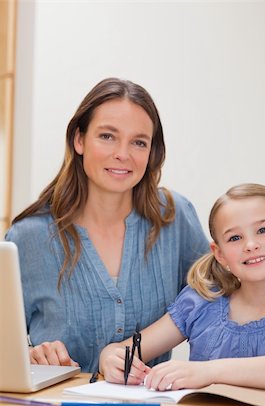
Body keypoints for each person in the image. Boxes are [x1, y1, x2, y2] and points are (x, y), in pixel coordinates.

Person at [5, 77, 209, 372]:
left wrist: (131, 350)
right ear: (79, 140)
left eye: (139, 142)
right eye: (107, 136)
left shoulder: (175, 218)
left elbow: (212, 301)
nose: (123, 154)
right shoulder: (28, 238)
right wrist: (30, 356)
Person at [100, 183, 265, 390]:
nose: (250, 245)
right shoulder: (201, 302)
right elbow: (122, 350)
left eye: (263, 230)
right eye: (235, 238)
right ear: (219, 254)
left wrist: (208, 372)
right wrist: (109, 359)